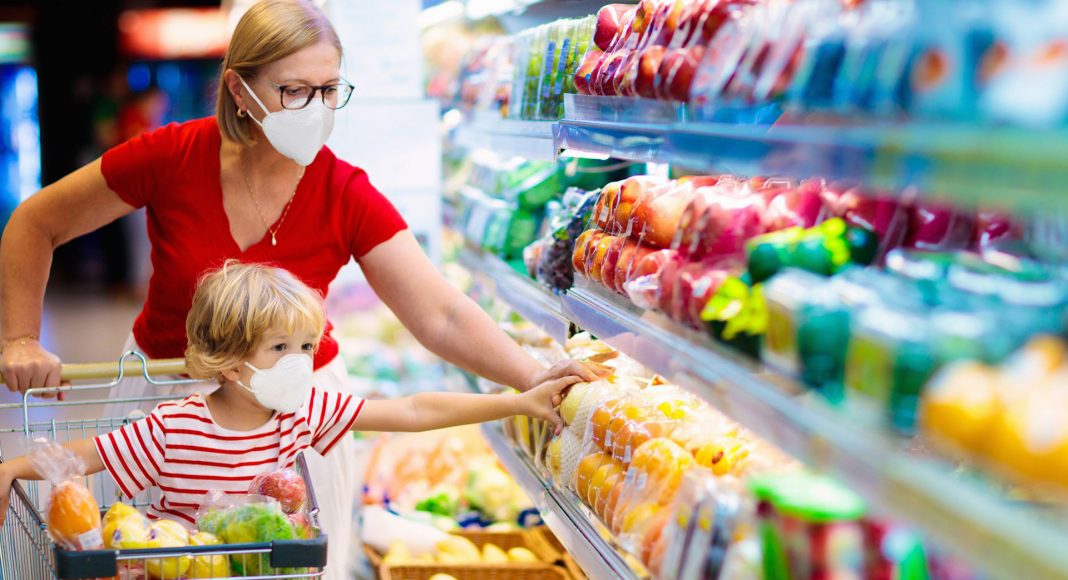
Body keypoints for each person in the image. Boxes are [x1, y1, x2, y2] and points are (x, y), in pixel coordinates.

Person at [0, 1, 599, 577]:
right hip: (164, 405)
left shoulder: (344, 191)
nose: (317, 108)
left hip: (292, 414)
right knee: (151, 559)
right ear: (239, 89)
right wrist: (20, 337)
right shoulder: (173, 156)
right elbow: (36, 222)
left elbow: (438, 313)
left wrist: (532, 378)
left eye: (330, 89)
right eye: (294, 91)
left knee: (289, 567)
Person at [0, 262, 579, 531]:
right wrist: (11, 470)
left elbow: (411, 410)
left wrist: (517, 399)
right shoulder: (173, 427)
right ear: (227, 362)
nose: (301, 363)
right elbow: (90, 453)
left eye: (307, 345)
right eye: (281, 348)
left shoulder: (301, 412)